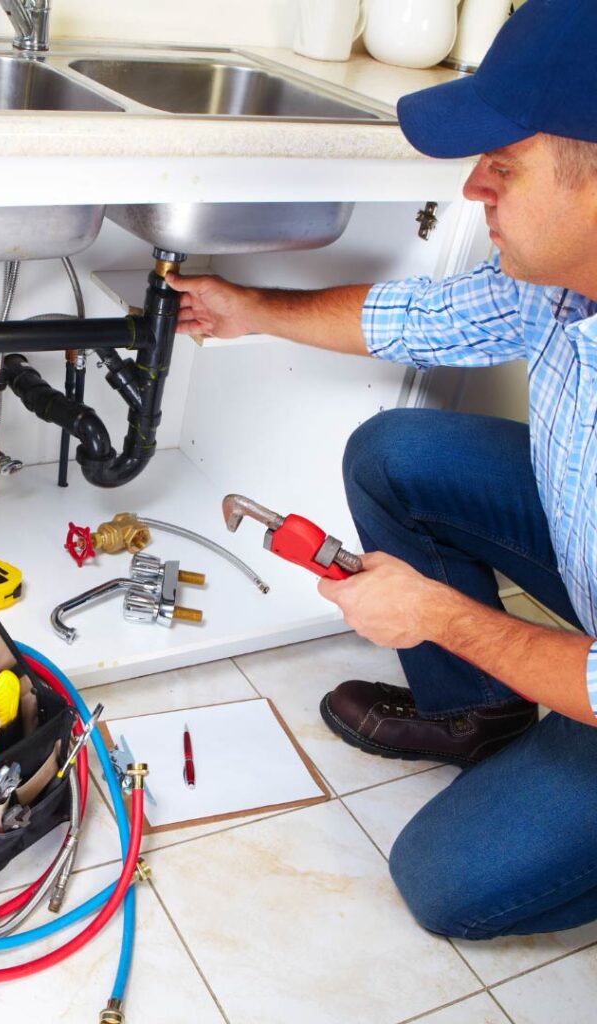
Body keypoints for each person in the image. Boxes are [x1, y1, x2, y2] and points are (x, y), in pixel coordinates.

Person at [166, 0, 597, 940]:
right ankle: (481, 713)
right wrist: (248, 307)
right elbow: (418, 317)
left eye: (507, 165)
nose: (477, 187)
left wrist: (443, 615)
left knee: (446, 882)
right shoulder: (562, 280)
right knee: (397, 455)